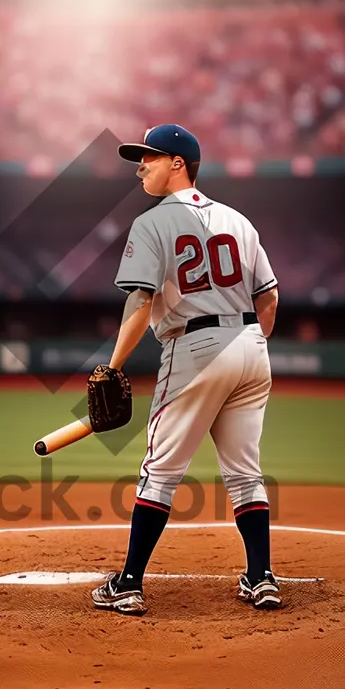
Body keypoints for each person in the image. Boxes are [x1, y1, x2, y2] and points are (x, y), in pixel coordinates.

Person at [89, 124, 281, 616]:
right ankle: (261, 578)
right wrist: (250, 344)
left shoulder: (152, 223)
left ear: (178, 163)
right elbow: (270, 296)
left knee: (159, 472)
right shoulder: (239, 220)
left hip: (195, 347)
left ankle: (128, 583)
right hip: (251, 347)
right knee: (245, 474)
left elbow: (141, 301)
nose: (140, 167)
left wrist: (112, 367)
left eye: (149, 157)